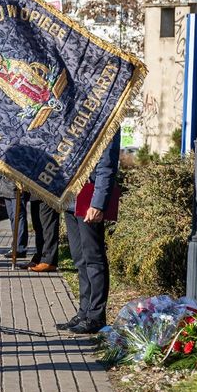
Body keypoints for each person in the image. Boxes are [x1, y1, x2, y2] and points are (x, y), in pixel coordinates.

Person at [59, 130, 121, 334]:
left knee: (93, 258)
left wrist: (98, 204)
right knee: (79, 258)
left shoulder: (107, 121)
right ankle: (84, 312)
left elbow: (106, 167)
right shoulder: (74, 119)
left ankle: (96, 316)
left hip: (89, 199)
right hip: (70, 199)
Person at [25, 199, 60, 272]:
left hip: (48, 193)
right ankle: (39, 257)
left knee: (48, 226)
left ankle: (49, 261)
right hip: (35, 193)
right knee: (38, 226)